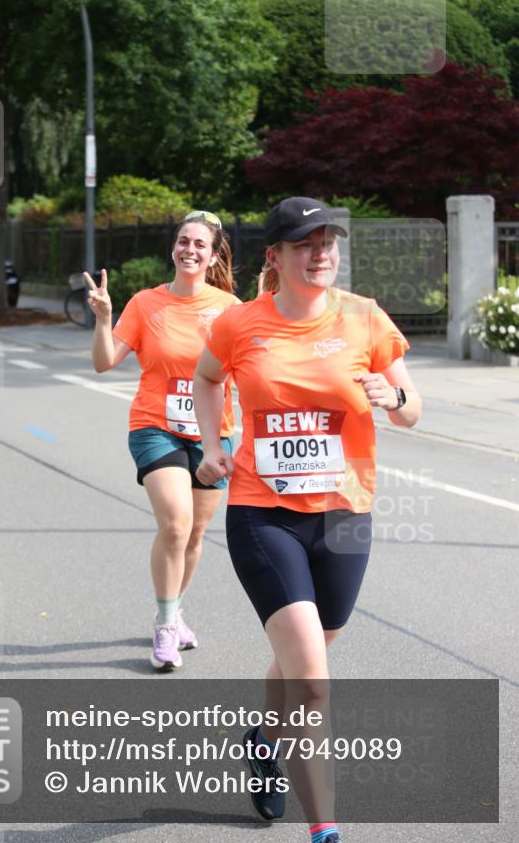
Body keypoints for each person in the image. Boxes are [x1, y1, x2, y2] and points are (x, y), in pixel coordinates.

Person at [194, 197, 422, 841]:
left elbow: (412, 411)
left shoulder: (365, 318)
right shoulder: (241, 324)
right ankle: (326, 829)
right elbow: (206, 379)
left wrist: (394, 396)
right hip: (263, 514)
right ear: (276, 256)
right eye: (305, 243)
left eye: (328, 242)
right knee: (315, 684)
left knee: (310, 655)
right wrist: (213, 447)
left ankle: (264, 740)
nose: (320, 252)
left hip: (346, 513)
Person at [83, 210, 240, 671]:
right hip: (156, 426)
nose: (189, 250)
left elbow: (247, 373)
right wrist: (103, 319)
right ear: (173, 248)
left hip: (214, 434)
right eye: (182, 241)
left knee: (194, 535)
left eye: (199, 245)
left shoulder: (230, 309)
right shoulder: (145, 304)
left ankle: (173, 609)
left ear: (212, 257)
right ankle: (167, 626)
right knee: (175, 523)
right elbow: (104, 361)